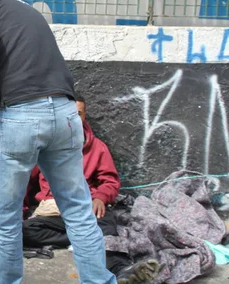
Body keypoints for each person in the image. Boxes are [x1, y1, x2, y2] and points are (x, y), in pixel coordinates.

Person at [0, 0, 116, 284]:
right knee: (79, 212)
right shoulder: (25, 9)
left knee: (5, 218)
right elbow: (28, 76)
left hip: (19, 121)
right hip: (66, 115)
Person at [23, 93, 161, 284]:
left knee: (107, 229)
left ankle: (122, 270)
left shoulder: (97, 147)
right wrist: (19, 212)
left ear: (84, 115)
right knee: (23, 231)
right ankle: (81, 240)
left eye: (78, 114)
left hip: (85, 209)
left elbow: (110, 181)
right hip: (52, 212)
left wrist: (101, 198)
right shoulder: (45, 146)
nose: (73, 119)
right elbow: (24, 183)